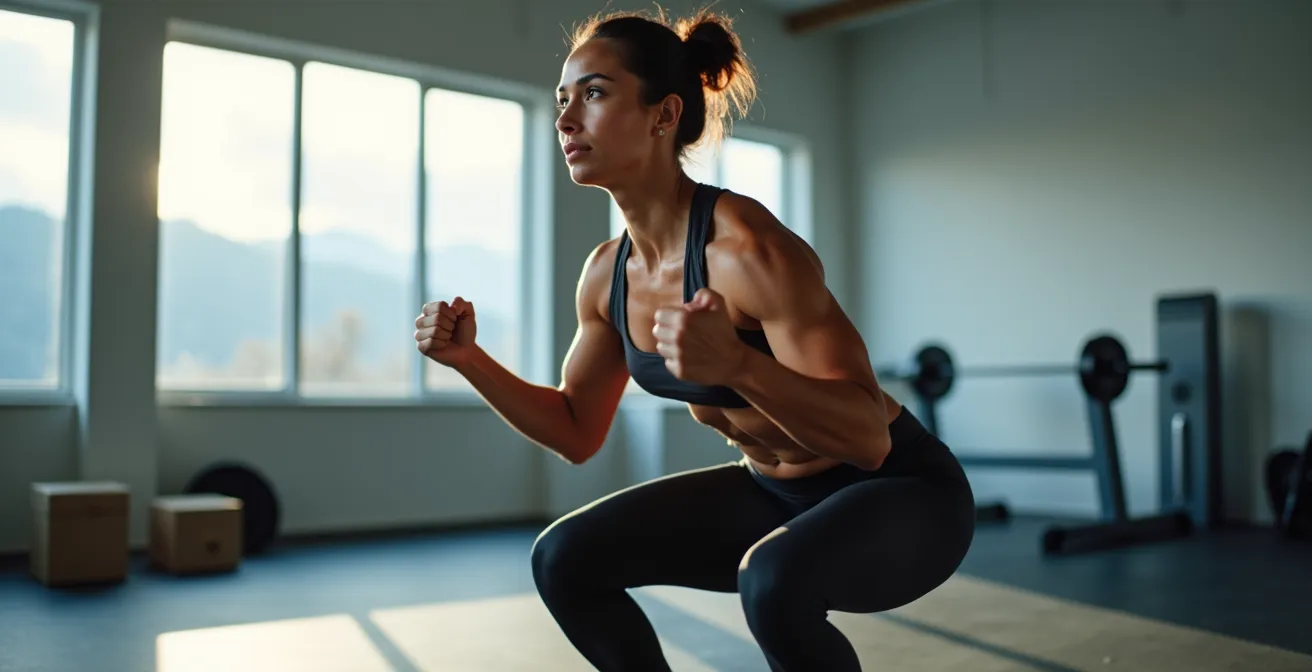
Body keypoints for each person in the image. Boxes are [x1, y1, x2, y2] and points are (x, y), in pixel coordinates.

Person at [413, 8, 975, 671]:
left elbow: (866, 437)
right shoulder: (606, 275)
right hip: (771, 492)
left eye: (593, 93)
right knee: (565, 557)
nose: (565, 120)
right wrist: (469, 361)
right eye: (563, 99)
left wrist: (738, 363)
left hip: (902, 495)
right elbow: (575, 430)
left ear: (663, 114)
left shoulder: (747, 249)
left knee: (771, 581)